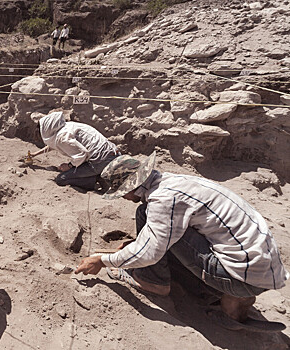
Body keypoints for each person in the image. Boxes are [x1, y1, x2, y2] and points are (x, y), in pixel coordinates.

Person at [75, 152, 289, 326]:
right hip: (260, 268)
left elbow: (150, 252)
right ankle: (227, 293)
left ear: (132, 186)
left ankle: (153, 281)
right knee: (149, 215)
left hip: (242, 278)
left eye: (121, 192)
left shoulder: (164, 200)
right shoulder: (173, 182)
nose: (122, 197)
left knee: (151, 222)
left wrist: (103, 260)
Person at [26, 111, 119, 191]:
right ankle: (94, 174)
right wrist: (35, 154)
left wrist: (69, 166)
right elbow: (53, 145)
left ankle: (95, 179)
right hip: (110, 152)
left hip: (100, 160)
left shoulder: (62, 137)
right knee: (75, 170)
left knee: (62, 179)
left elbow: (82, 154)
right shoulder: (67, 126)